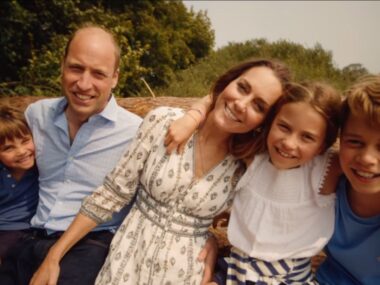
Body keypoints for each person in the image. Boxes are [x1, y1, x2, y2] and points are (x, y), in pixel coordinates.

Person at [29, 59, 292, 285]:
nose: (241, 104)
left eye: (259, 106)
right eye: (242, 88)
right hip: (127, 262)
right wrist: (55, 255)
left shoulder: (245, 166)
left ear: (263, 122)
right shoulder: (164, 121)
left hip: (187, 272)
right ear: (228, 83)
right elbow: (111, 194)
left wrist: (209, 237)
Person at [0, 24, 142, 285]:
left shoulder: (136, 133)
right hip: (29, 238)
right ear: (62, 65)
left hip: (90, 245)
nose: (84, 83)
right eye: (76, 68)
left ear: (115, 78)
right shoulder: (36, 116)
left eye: (98, 73)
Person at [166, 81, 342, 284]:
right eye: (283, 127)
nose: (289, 143)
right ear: (270, 122)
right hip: (235, 270)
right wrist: (192, 116)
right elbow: (217, 99)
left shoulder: (324, 171)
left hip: (287, 279)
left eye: (307, 137)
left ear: (323, 146)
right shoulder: (254, 157)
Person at [316, 75, 380, 285]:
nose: (367, 159)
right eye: (355, 142)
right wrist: (209, 103)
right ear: (340, 139)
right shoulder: (327, 177)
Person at [0, 105, 39, 262]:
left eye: (25, 141)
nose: (22, 151)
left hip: (27, 230)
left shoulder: (41, 167)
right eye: (9, 148)